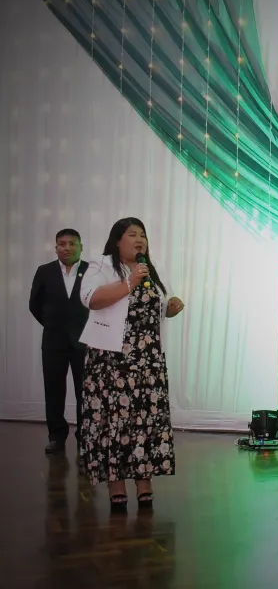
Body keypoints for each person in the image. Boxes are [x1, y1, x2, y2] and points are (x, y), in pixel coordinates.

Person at [78, 218, 185, 512]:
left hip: (148, 360)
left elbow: (158, 308)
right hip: (112, 360)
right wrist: (129, 282)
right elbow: (91, 299)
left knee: (146, 423)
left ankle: (144, 483)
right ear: (117, 241)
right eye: (132, 235)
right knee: (115, 421)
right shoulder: (100, 266)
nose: (140, 240)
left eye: (143, 236)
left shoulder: (150, 270)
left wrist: (171, 308)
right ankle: (116, 485)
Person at [29, 228, 90, 454]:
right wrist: (52, 324)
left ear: (81, 247)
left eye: (72, 243)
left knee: (86, 391)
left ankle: (85, 437)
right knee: (53, 390)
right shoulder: (44, 271)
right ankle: (56, 436)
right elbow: (34, 304)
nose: (67, 248)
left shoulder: (91, 271)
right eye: (62, 244)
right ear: (56, 248)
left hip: (84, 342)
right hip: (53, 342)